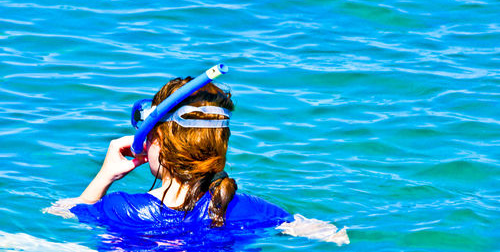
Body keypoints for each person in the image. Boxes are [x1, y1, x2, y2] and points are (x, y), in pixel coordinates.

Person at [45, 76, 349, 246]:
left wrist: (104, 176)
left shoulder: (121, 209)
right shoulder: (246, 209)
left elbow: (59, 214)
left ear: (154, 142)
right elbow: (330, 233)